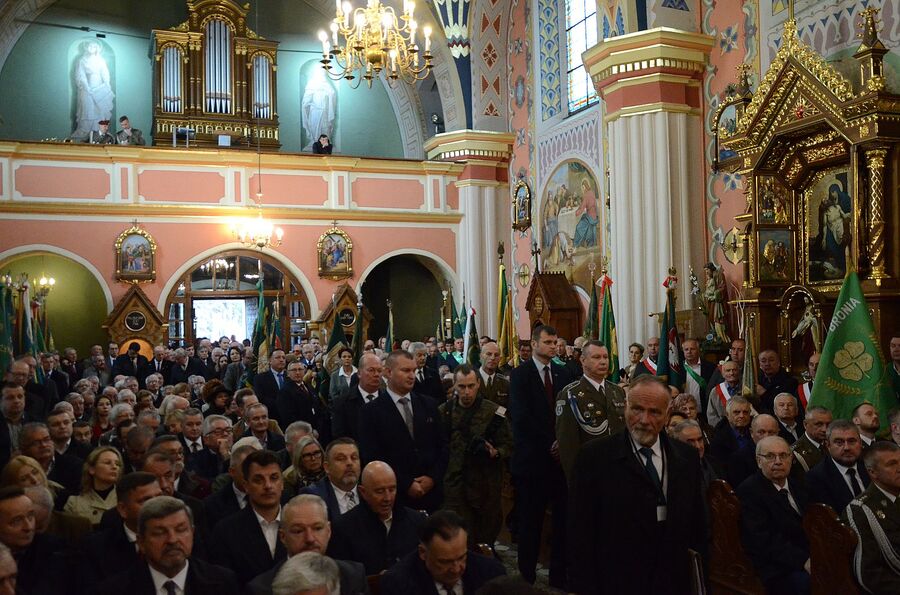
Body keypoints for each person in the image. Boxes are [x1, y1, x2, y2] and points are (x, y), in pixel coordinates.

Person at [569, 375, 706, 594]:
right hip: (617, 579)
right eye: (637, 409)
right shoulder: (594, 457)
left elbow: (698, 523)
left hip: (671, 579)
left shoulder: (686, 457)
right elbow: (580, 529)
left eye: (654, 412)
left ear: (667, 414)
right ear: (625, 407)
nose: (644, 419)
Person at [508, 324, 572, 587]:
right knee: (530, 523)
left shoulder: (564, 372)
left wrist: (563, 442)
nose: (553, 346)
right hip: (533, 461)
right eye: (547, 342)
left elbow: (568, 411)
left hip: (559, 464)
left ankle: (558, 575)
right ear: (534, 344)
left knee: (562, 522)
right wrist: (552, 443)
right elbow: (521, 417)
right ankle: (526, 576)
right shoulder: (520, 375)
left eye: (555, 341)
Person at [358, 350, 447, 512]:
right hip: (395, 497)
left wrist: (432, 478)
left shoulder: (429, 405)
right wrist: (406, 483)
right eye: (405, 370)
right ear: (388, 372)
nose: (412, 375)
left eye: (413, 370)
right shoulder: (371, 412)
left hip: (432, 496)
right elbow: (373, 455)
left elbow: (443, 447)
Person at [95, 496, 239, 595]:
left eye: (181, 530)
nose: (172, 540)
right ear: (141, 542)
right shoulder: (114, 590)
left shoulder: (223, 582)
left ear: (193, 533)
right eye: (159, 533)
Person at [439, 365, 512, 548]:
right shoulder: (443, 412)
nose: (466, 392)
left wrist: (495, 452)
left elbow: (509, 445)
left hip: (485, 485)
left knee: (484, 539)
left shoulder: (495, 412)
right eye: (462, 387)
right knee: (457, 539)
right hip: (455, 486)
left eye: (471, 386)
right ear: (454, 385)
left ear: (478, 384)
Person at [246, 494, 367, 595]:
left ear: (328, 531)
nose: (309, 538)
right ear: (283, 537)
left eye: (317, 528)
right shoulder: (261, 589)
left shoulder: (353, 577)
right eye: (298, 531)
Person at [737, 436, 810, 595]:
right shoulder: (749, 491)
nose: (778, 461)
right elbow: (764, 540)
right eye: (770, 456)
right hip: (776, 566)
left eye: (784, 455)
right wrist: (803, 560)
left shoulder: (799, 485)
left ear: (791, 459)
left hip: (808, 554)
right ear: (758, 461)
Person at [327, 460, 426, 575]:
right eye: (380, 491)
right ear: (363, 492)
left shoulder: (417, 521)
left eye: (392, 489)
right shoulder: (343, 529)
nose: (387, 498)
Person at [380, 509, 506, 595]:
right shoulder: (398, 584)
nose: (456, 569)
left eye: (462, 557)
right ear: (423, 553)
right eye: (445, 562)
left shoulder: (491, 573)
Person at [211, 449, 287, 585]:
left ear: (282, 483)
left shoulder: (299, 522)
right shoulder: (226, 531)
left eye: (274, 478)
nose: (268, 486)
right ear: (246, 486)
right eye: (258, 480)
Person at [555, 341, 626, 481]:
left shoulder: (617, 391)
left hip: (618, 468)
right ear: (583, 360)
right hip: (590, 472)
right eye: (596, 357)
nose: (603, 362)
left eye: (605, 357)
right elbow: (567, 444)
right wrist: (575, 479)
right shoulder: (570, 393)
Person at [80, 472, 162, 589]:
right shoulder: (95, 548)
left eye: (160, 497)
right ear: (123, 509)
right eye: (145, 500)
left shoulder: (181, 539)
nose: (157, 506)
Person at [844, 441, 900, 593]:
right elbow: (869, 575)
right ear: (873, 472)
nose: (899, 468)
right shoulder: (862, 510)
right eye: (892, 464)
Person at [806, 420, 870, 513]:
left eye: (852, 441)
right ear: (828, 445)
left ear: (860, 443)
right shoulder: (815, 478)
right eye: (839, 442)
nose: (847, 447)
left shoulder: (870, 466)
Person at [301, 438, 360, 524]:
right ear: (327, 467)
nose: (349, 463)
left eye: (354, 458)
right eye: (341, 458)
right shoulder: (313, 496)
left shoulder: (368, 491)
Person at [63, 446, 122, 526]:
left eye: (117, 464)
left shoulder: (126, 498)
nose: (114, 467)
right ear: (92, 469)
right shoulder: (75, 503)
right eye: (107, 463)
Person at [331, 353, 383, 441]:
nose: (376, 374)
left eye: (379, 370)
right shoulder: (342, 402)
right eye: (371, 370)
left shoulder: (389, 400)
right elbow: (340, 437)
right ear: (359, 373)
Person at [206, 443, 257, 529]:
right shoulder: (211, 505)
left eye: (256, 469)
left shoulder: (277, 498)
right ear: (232, 472)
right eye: (247, 470)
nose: (253, 474)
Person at [727, 414, 782, 489]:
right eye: (761, 432)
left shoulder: (785, 453)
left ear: (778, 433)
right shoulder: (738, 459)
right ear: (752, 433)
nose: (766, 437)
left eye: (771, 432)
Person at [73, 40, 114, 141]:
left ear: (97, 49)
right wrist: (87, 88)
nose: (92, 48)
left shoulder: (100, 60)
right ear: (86, 48)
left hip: (99, 85)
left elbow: (105, 73)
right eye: (90, 46)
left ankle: (98, 131)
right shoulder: (82, 60)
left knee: (100, 108)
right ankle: (85, 131)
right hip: (86, 87)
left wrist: (106, 85)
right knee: (87, 108)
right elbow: (80, 75)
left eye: (94, 47)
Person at [708, 396, 753, 478]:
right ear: (727, 415)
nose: (742, 416)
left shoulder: (756, 432)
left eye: (745, 412)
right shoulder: (718, 440)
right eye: (736, 412)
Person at [277, 360, 322, 432]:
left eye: (300, 369)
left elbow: (317, 407)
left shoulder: (309, 387)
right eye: (294, 370)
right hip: (299, 432)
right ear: (288, 373)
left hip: (315, 430)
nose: (297, 372)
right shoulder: (285, 392)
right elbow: (288, 417)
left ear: (304, 371)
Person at [755, 349, 798, 415]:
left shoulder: (790, 381)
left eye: (771, 360)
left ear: (778, 363)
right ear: (760, 364)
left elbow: (782, 405)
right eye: (763, 361)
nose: (767, 364)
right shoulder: (757, 379)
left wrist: (764, 393)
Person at [792, 405, 833, 473]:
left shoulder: (833, 444)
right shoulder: (796, 453)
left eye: (828, 424)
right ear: (805, 424)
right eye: (819, 424)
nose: (824, 429)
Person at [681, 338, 715, 418]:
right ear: (683, 351)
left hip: (704, 411)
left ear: (698, 350)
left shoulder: (710, 367)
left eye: (692, 349)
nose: (689, 352)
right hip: (683, 412)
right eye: (686, 349)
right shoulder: (678, 368)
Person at [253, 349, 287, 422]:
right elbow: (260, 398)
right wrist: (281, 404)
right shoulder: (260, 378)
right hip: (271, 418)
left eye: (283, 357)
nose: (281, 360)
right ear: (270, 361)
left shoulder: (290, 377)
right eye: (278, 357)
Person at [706, 360, 742, 427]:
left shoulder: (745, 389)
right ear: (722, 374)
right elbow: (711, 415)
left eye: (734, 370)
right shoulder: (715, 391)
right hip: (722, 430)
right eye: (728, 370)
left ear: (739, 372)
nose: (731, 373)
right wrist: (723, 429)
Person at [478, 342, 510, 408]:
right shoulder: (470, 380)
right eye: (489, 354)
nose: (492, 358)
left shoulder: (505, 383)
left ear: (500, 359)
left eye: (496, 355)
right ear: (481, 356)